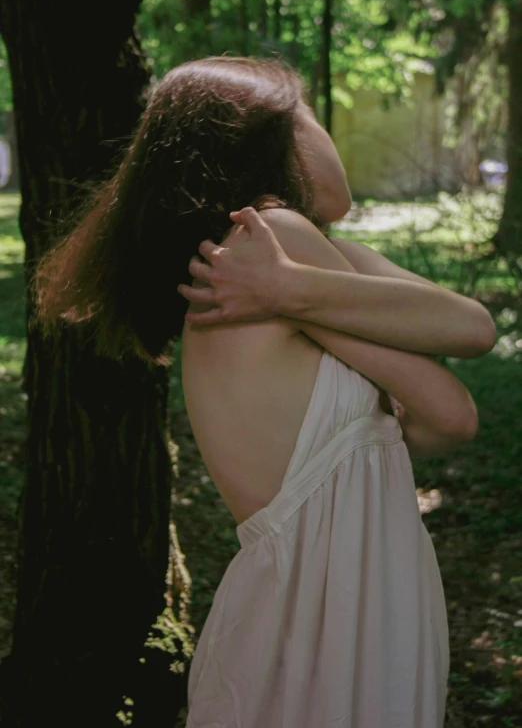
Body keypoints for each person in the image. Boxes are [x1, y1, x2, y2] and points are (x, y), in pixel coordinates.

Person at [32, 56, 496, 728]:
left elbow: (471, 331)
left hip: (315, 608)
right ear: (268, 142)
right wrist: (298, 296)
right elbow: (453, 409)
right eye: (304, 113)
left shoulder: (291, 263)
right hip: (338, 613)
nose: (320, 128)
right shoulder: (275, 238)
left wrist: (296, 298)